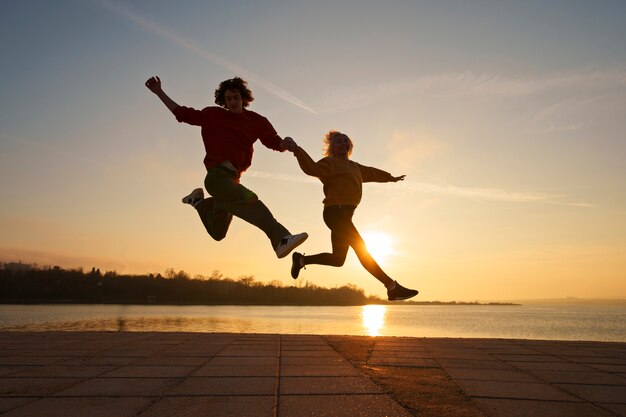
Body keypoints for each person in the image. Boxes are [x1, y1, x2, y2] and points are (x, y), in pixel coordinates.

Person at [145, 75, 307, 258]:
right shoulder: (213, 115)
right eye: (228, 99)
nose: (232, 102)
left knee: (218, 232)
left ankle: (198, 202)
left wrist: (285, 143)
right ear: (223, 100)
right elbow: (182, 113)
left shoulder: (257, 121)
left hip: (232, 179)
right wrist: (159, 92)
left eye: (236, 97)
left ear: (243, 98)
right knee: (250, 199)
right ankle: (280, 239)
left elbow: (273, 141)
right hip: (217, 177)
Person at [283, 131, 418, 301]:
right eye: (338, 142)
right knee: (361, 248)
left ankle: (301, 260)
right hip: (335, 212)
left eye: (346, 141)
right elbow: (311, 168)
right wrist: (296, 150)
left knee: (338, 259)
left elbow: (372, 172)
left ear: (350, 146)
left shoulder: (355, 167)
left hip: (345, 216)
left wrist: (390, 178)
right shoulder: (330, 163)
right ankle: (391, 286)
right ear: (331, 147)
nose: (343, 144)